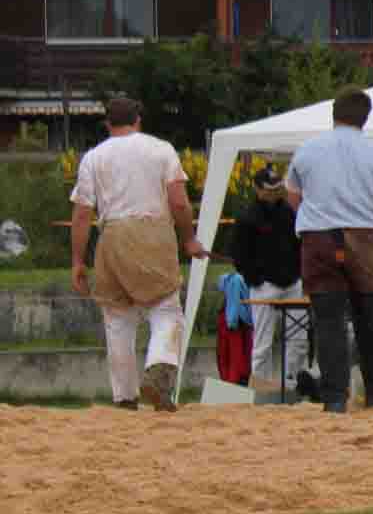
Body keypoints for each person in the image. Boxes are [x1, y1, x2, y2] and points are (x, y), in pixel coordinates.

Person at [68, 95, 210, 410]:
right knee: (165, 309)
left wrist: (77, 261)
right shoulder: (161, 150)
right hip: (152, 231)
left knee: (117, 317)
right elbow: (178, 203)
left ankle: (124, 397)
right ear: (138, 120)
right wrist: (189, 239)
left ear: (108, 123)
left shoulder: (93, 157)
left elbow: (82, 214)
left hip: (111, 235)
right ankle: (158, 369)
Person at [286, 88, 373, 414]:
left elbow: (293, 196)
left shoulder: (307, 151)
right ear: (366, 118)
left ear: (334, 113)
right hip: (366, 238)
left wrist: (314, 219)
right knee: (371, 319)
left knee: (328, 321)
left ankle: (335, 399)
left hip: (319, 239)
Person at [231, 163, 308, 401]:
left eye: (277, 188)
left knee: (298, 340)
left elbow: (300, 243)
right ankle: (260, 390)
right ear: (257, 189)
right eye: (269, 189)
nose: (274, 193)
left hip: (293, 283)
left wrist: (299, 272)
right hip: (264, 286)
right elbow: (239, 254)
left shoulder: (290, 212)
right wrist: (255, 279)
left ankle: (292, 386)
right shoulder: (247, 217)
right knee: (263, 343)